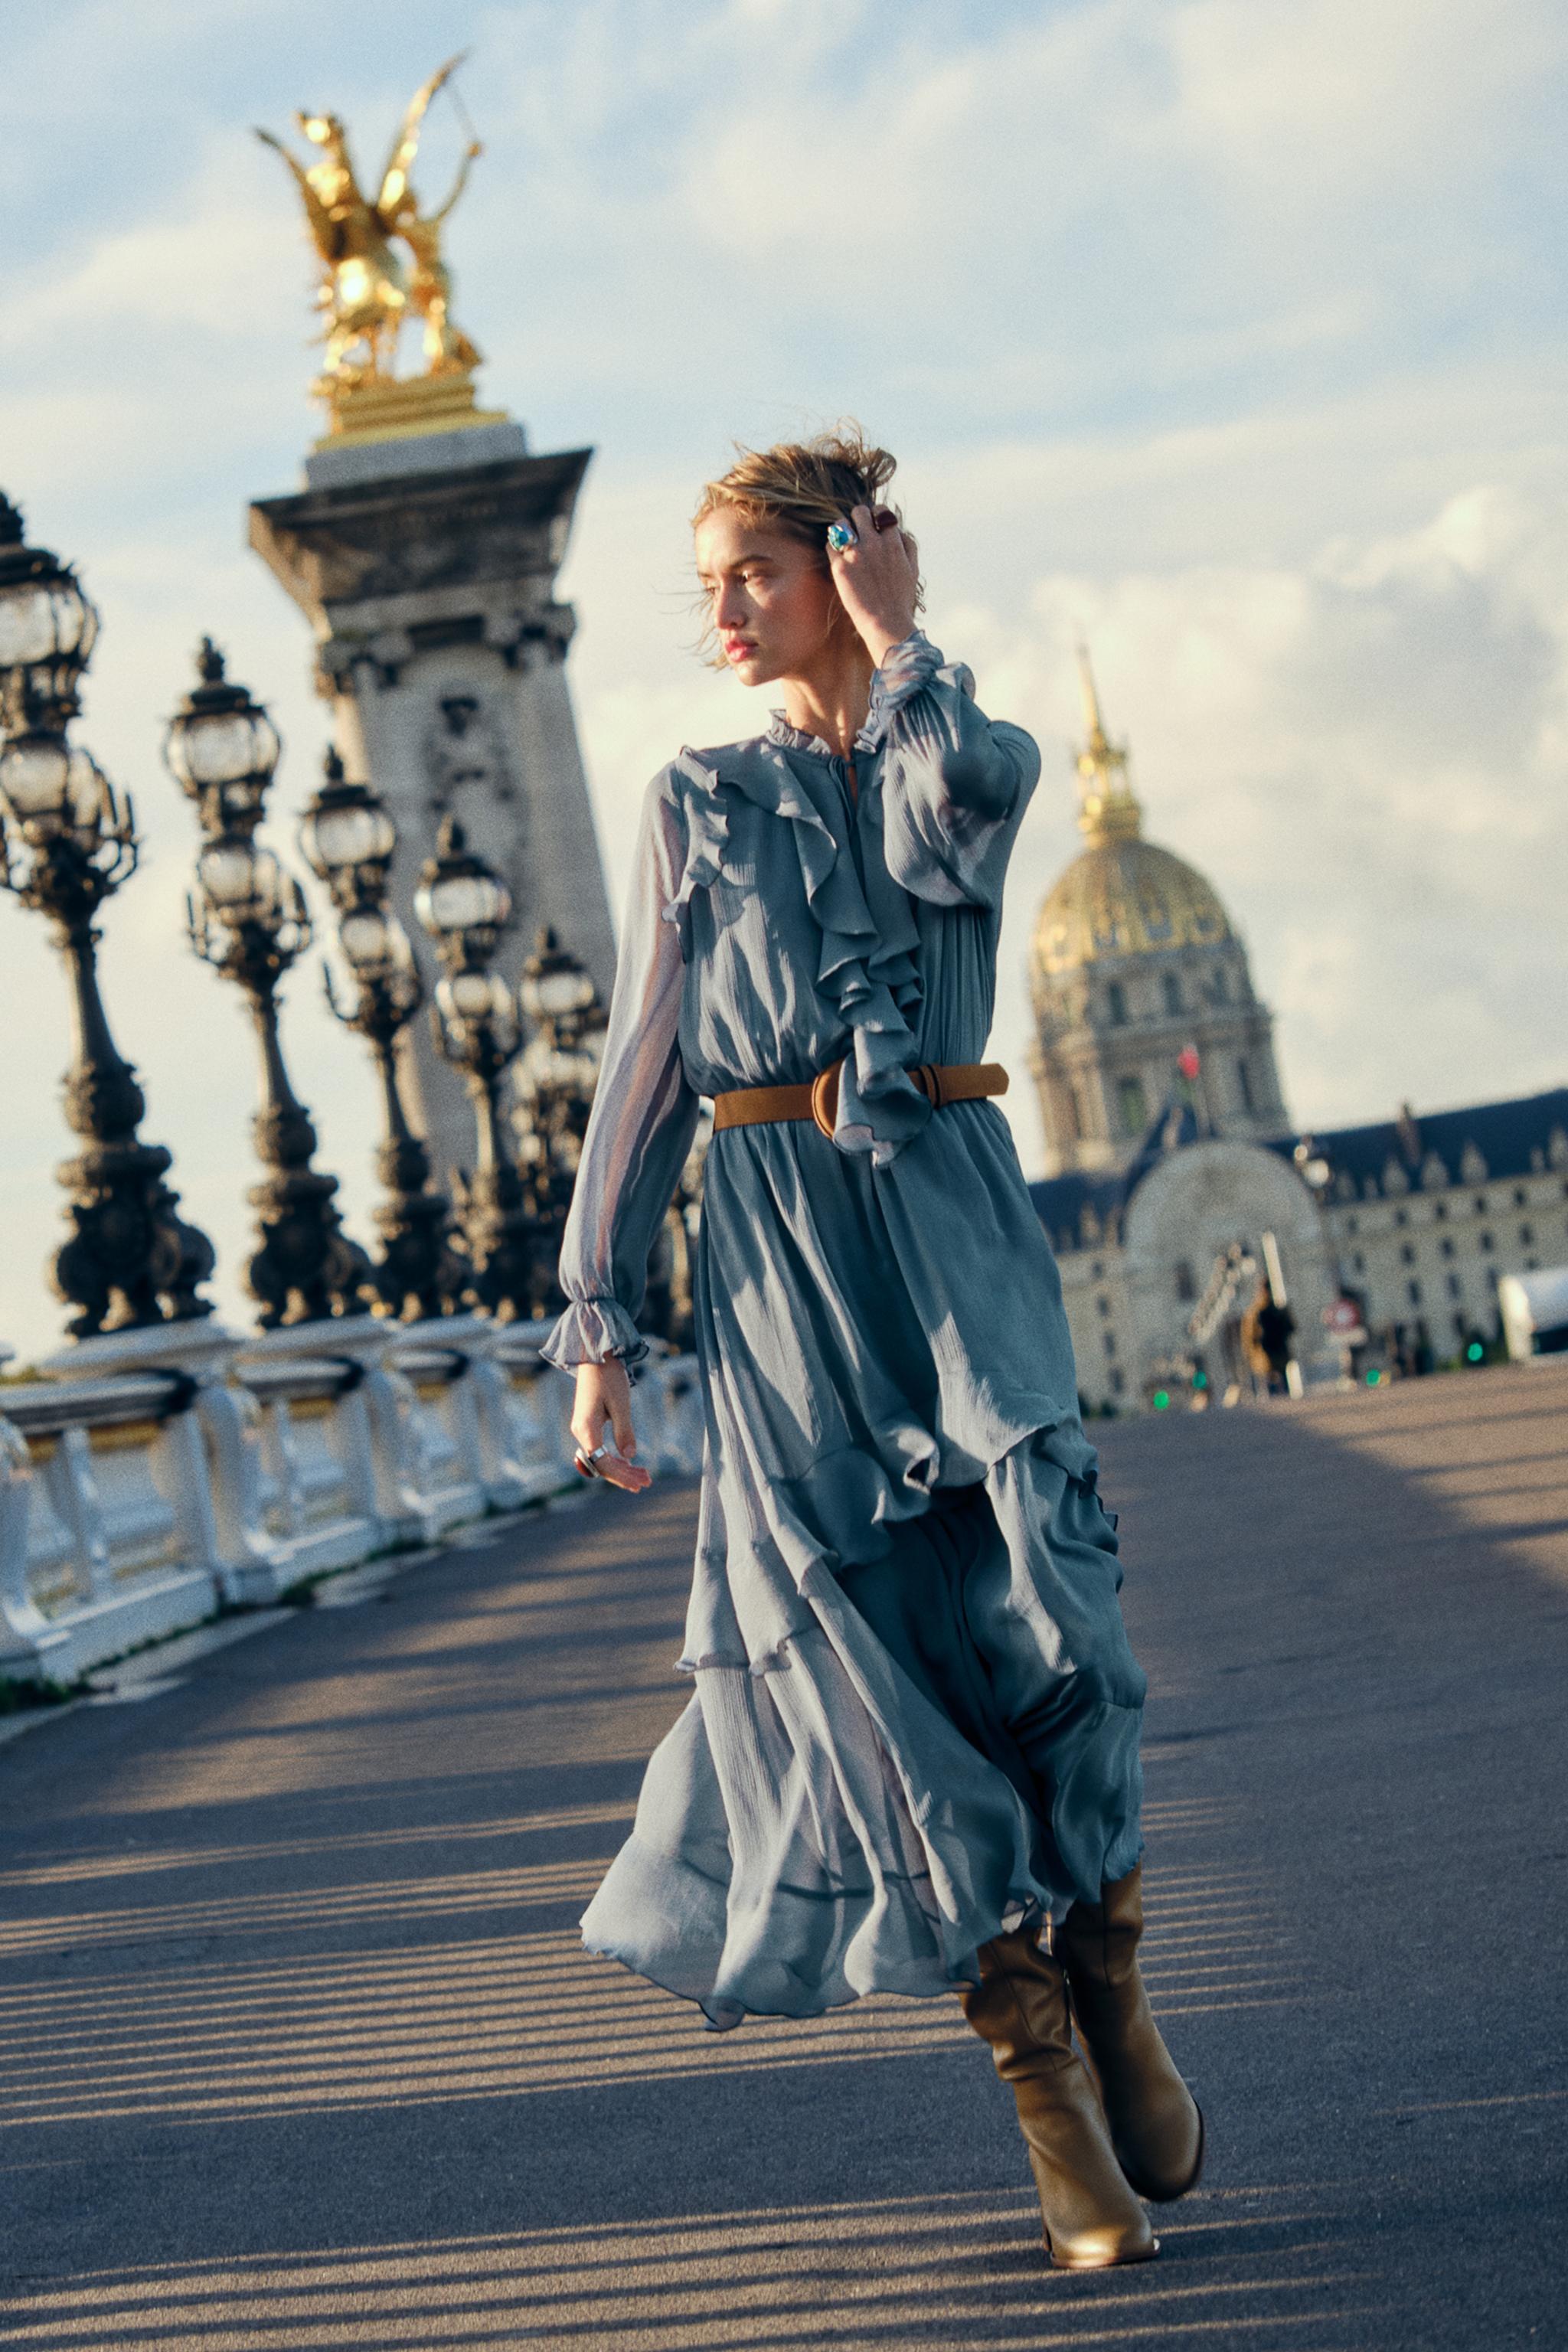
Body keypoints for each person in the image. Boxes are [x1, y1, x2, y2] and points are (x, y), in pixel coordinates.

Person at [539, 428, 1203, 2269]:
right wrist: (599, 1318)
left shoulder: (962, 747)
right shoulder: (692, 797)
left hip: (951, 1219)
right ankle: (1045, 2087)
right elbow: (650, 1061)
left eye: (750, 572)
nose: (720, 614)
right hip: (772, 1257)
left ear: (845, 562)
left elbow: (942, 836)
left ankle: (1117, 1973)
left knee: (1062, 1616)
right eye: (708, 585)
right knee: (877, 1668)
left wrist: (902, 648)